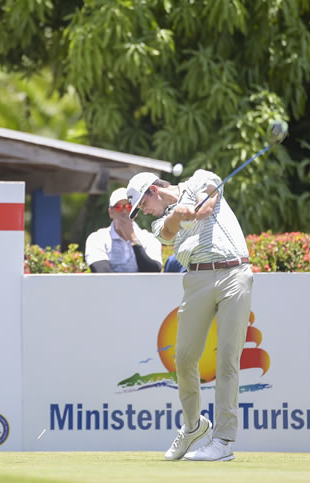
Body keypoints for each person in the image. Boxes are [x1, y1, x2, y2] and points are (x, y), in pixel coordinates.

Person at [127, 170, 254, 462]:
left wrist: (193, 210)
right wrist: (177, 215)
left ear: (153, 191)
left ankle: (223, 441)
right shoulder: (159, 222)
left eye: (143, 205)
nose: (144, 212)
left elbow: (207, 205)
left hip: (234, 272)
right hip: (197, 280)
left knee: (227, 359)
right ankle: (194, 426)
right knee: (183, 357)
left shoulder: (199, 178)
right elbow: (169, 232)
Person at [84, 188, 162, 273]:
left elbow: (154, 271)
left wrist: (133, 239)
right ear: (110, 212)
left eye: (129, 207)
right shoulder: (97, 238)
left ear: (135, 212)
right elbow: (102, 272)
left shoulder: (149, 238)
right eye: (118, 207)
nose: (124, 211)